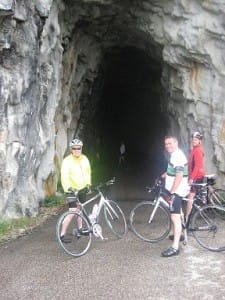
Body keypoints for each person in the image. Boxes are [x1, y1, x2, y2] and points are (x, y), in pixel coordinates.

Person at [160, 136, 190, 257]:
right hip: (178, 189)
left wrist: (172, 191)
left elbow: (179, 175)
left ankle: (175, 247)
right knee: (177, 214)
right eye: (166, 144)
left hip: (177, 191)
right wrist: (164, 175)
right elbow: (173, 170)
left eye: (170, 143)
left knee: (174, 217)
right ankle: (179, 234)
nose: (168, 146)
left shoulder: (178, 156)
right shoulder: (175, 155)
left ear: (176, 143)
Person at [60, 138, 91, 243]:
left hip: (82, 189)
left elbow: (87, 173)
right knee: (72, 211)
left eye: (79, 148)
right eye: (74, 148)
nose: (77, 150)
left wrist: (88, 184)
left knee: (80, 210)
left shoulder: (84, 159)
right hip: (71, 190)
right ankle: (62, 234)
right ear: (71, 149)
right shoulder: (67, 161)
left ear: (81, 148)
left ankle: (80, 229)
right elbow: (64, 176)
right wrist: (69, 187)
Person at [186, 131, 205, 221]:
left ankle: (188, 218)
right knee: (191, 196)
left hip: (196, 177)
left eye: (196, 139)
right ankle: (191, 214)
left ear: (199, 141)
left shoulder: (197, 150)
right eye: (193, 139)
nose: (194, 141)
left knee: (190, 197)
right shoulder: (194, 149)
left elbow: (197, 166)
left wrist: (192, 178)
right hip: (195, 176)